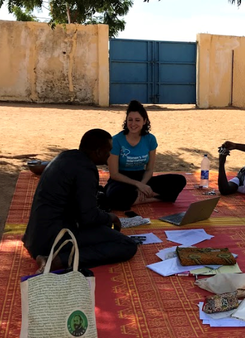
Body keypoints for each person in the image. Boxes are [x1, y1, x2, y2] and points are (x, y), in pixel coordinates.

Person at [23, 129, 138, 271]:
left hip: (35, 238)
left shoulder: (65, 157)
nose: (110, 155)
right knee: (127, 245)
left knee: (103, 230)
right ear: (98, 152)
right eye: (108, 150)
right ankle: (58, 260)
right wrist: (110, 217)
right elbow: (88, 217)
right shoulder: (86, 170)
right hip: (52, 241)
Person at [100, 100, 187, 211]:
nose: (133, 124)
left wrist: (142, 185)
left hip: (142, 178)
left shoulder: (150, 139)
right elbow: (114, 174)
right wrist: (138, 185)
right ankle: (154, 198)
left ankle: (139, 198)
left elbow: (149, 170)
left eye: (137, 120)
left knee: (179, 180)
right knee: (114, 196)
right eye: (130, 120)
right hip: (122, 180)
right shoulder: (116, 140)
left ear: (144, 121)